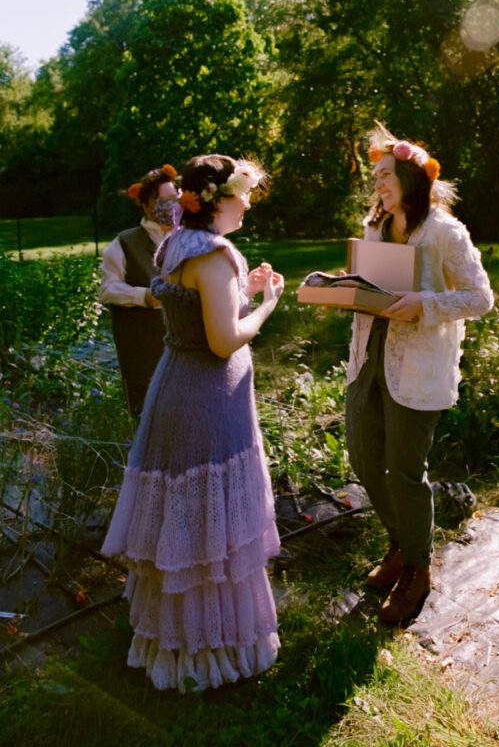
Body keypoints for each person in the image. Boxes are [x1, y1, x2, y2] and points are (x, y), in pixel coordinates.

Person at [102, 154, 284, 691]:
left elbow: (199, 309)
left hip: (172, 386)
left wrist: (242, 290)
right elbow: (224, 339)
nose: (249, 202)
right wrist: (268, 304)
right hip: (207, 398)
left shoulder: (176, 244)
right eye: (244, 193)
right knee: (212, 524)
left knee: (184, 518)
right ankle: (210, 649)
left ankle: (171, 636)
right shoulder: (216, 253)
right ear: (218, 199)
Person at [346, 123, 493, 624]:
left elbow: (480, 298)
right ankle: (399, 545)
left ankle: (418, 569)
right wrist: (339, 290)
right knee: (364, 458)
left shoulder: (444, 232)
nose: (378, 185)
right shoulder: (374, 227)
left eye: (385, 175)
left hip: (418, 365)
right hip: (369, 359)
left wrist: (424, 304)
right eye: (377, 178)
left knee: (404, 473)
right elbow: (371, 288)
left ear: (410, 179)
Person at [99, 164, 179, 413]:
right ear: (145, 205)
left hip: (186, 346)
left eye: (173, 199)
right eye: (161, 201)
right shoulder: (124, 242)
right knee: (147, 410)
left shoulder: (189, 236)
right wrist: (144, 296)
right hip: (144, 345)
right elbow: (107, 289)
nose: (168, 206)